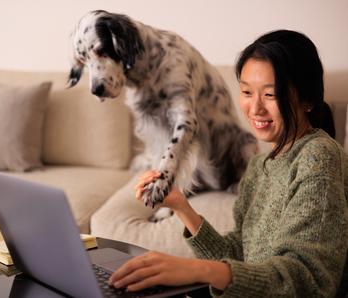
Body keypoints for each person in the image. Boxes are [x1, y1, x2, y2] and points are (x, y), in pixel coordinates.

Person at [108, 29, 348, 297]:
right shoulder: (259, 165)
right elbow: (237, 254)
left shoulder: (319, 158)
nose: (255, 108)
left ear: (308, 100)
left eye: (270, 95)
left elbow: (306, 280)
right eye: (246, 91)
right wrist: (180, 206)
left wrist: (197, 270)